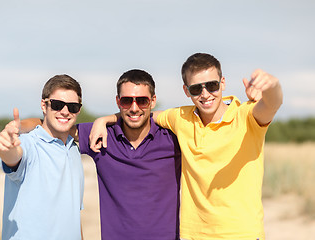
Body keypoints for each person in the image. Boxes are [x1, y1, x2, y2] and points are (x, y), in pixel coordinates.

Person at [90, 53, 283, 240]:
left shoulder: (246, 116)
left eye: (212, 85)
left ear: (223, 83)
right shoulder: (181, 117)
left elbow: (271, 105)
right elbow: (139, 114)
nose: (205, 94)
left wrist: (272, 87)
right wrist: (105, 119)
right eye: (196, 89)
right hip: (193, 235)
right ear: (186, 90)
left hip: (241, 234)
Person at [20, 69, 182, 240]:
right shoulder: (101, 136)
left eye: (142, 101)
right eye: (127, 101)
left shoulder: (173, 138)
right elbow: (50, 124)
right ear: (118, 101)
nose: (134, 108)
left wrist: (105, 118)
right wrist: (16, 126)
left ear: (153, 101)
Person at [0, 74, 85, 240]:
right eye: (57, 105)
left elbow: (73, 214)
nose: (65, 112)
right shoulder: (29, 144)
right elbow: (14, 158)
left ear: (78, 109)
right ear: (44, 105)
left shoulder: (74, 150)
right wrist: (5, 149)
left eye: (72, 107)